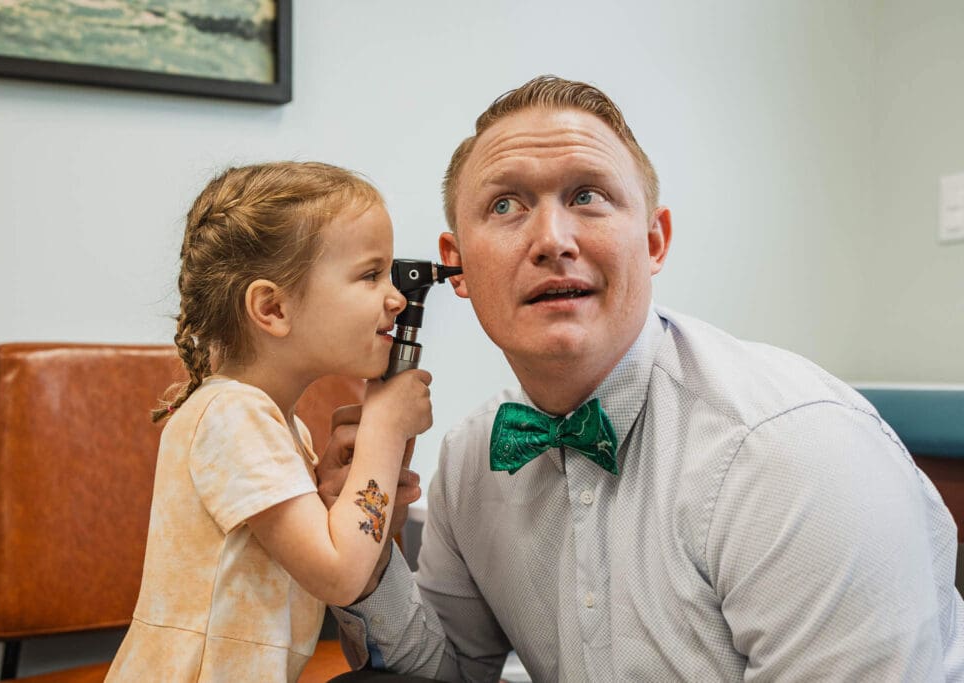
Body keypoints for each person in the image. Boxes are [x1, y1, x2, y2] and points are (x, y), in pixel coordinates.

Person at [321, 76, 964, 681]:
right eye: (506, 204)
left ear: (655, 242)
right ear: (456, 267)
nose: (552, 239)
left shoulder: (792, 455)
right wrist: (367, 532)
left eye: (588, 196)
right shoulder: (472, 461)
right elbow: (447, 675)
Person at [106, 161, 433, 682]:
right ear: (273, 308)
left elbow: (326, 551)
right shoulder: (233, 415)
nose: (395, 298)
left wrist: (338, 497)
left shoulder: (284, 427)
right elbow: (339, 575)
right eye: (371, 275)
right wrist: (384, 432)